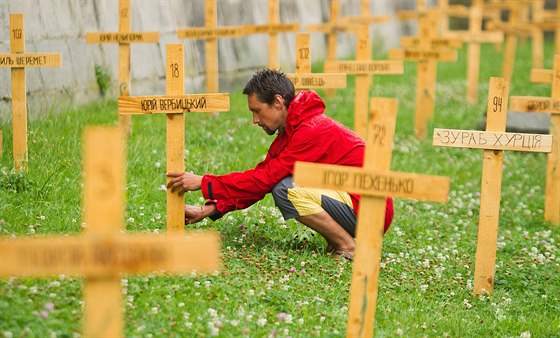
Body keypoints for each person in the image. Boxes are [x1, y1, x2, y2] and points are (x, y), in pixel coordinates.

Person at [166, 68, 394, 260]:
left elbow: (265, 180)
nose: (255, 120)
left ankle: (347, 247)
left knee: (286, 188)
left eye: (257, 111)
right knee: (281, 184)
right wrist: (209, 209)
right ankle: (340, 242)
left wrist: (203, 182)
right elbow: (262, 178)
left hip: (370, 211)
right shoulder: (293, 130)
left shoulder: (309, 131)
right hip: (356, 204)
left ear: (277, 102)